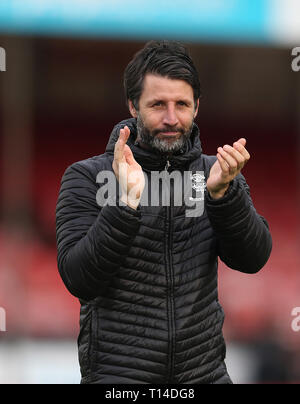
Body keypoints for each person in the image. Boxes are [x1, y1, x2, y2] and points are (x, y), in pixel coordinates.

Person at [55, 40, 272, 384]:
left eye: (182, 104)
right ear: (133, 106)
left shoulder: (215, 174)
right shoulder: (87, 177)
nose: (171, 119)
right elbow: (79, 278)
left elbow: (253, 258)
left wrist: (223, 195)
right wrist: (124, 203)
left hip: (205, 375)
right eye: (158, 104)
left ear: (197, 107)